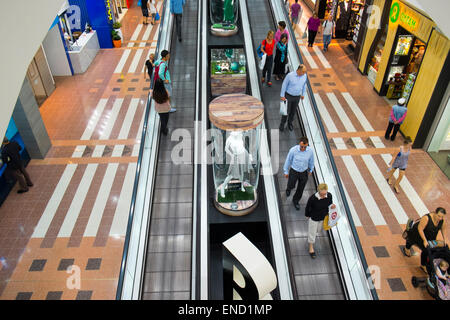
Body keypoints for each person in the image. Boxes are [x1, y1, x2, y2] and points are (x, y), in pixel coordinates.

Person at [402, 207, 447, 273]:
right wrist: (424, 240)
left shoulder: (441, 221)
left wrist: (444, 239)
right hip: (418, 233)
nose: (440, 218)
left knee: (427, 250)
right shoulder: (426, 218)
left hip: (431, 235)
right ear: (435, 213)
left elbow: (442, 229)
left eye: (442, 217)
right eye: (439, 216)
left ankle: (423, 265)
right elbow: (420, 229)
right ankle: (407, 247)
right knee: (412, 239)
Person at [283, 136, 315, 210]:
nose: (303, 148)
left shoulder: (310, 151)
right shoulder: (293, 150)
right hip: (294, 171)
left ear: (307, 144)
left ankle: (296, 201)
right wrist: (286, 171)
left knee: (301, 188)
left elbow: (311, 161)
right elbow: (288, 160)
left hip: (304, 172)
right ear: (299, 143)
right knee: (291, 184)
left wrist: (311, 170)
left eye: (305, 147)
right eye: (302, 146)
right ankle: (288, 189)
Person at [305, 183, 335, 258]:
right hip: (314, 218)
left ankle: (312, 237)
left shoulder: (329, 195)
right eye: (322, 194)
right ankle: (311, 247)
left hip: (323, 217)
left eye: (325, 193)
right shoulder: (313, 198)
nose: (324, 195)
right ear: (319, 191)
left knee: (318, 231)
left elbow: (330, 204)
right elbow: (308, 207)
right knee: (312, 232)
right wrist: (307, 215)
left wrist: (332, 206)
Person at [279, 64, 307, 131]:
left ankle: (290, 123)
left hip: (297, 97)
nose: (304, 73)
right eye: (303, 72)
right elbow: (284, 84)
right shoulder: (290, 75)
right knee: (286, 112)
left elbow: (304, 85)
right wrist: (282, 95)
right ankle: (282, 124)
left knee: (293, 112)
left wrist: (303, 94)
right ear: (299, 70)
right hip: (288, 96)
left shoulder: (304, 76)